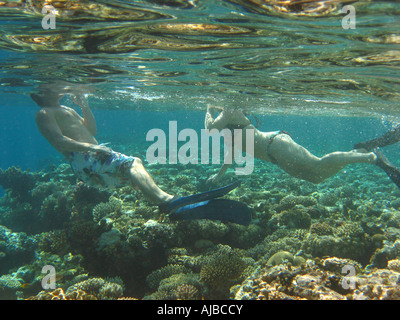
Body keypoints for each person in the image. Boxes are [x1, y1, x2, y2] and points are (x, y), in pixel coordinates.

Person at [32, 87, 252, 225]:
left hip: (93, 158)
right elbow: (59, 142)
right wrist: (94, 149)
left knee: (134, 164)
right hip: (86, 161)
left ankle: (169, 204)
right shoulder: (44, 114)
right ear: (41, 92)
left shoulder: (66, 110)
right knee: (132, 164)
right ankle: (167, 202)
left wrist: (84, 105)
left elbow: (93, 131)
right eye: (50, 84)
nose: (58, 84)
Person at [205, 105, 400, 188]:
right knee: (316, 178)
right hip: (275, 155)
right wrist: (219, 176)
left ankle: (372, 157)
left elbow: (210, 129)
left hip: (276, 145)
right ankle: (362, 151)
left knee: (317, 164)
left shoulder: (230, 111)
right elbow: (232, 152)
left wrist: (208, 108)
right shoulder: (228, 126)